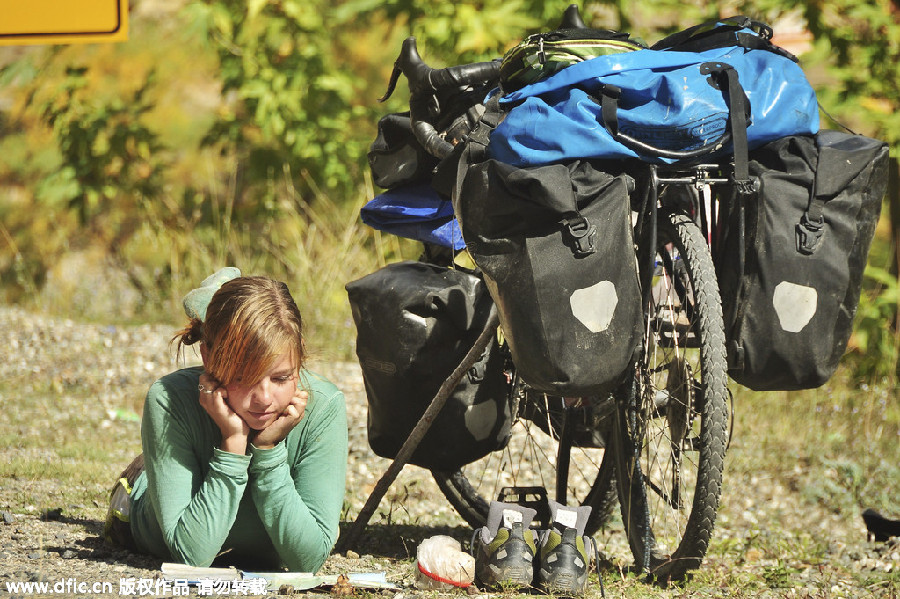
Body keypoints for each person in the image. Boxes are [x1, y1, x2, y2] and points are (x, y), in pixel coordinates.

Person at [104, 267, 348, 573]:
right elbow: (192, 556)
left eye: (281, 378)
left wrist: (268, 453)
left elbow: (308, 560)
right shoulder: (169, 399)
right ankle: (142, 475)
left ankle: (218, 303)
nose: (264, 398)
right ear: (208, 359)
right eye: (245, 377)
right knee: (142, 485)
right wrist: (233, 444)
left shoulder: (324, 406)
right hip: (139, 512)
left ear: (299, 364)